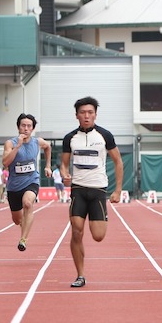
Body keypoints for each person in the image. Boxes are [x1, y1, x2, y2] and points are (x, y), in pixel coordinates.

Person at [61, 96, 124, 288]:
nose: (86, 116)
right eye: (83, 113)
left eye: (90, 112)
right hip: (78, 190)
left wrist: (118, 190)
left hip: (98, 190)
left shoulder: (105, 135)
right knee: (76, 231)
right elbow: (64, 164)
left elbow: (118, 162)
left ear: (95, 114)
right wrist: (65, 174)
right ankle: (80, 275)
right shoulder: (69, 138)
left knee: (98, 236)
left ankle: (101, 217)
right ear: (77, 115)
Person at [2, 113, 52, 251]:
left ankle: (23, 240)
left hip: (31, 181)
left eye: (29, 126)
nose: (26, 128)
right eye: (23, 125)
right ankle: (24, 225)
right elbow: (5, 162)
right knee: (17, 220)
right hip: (14, 186)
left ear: (33, 128)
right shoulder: (10, 143)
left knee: (28, 203)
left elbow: (48, 147)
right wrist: (17, 146)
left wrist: (48, 165)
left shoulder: (37, 142)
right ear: (18, 127)